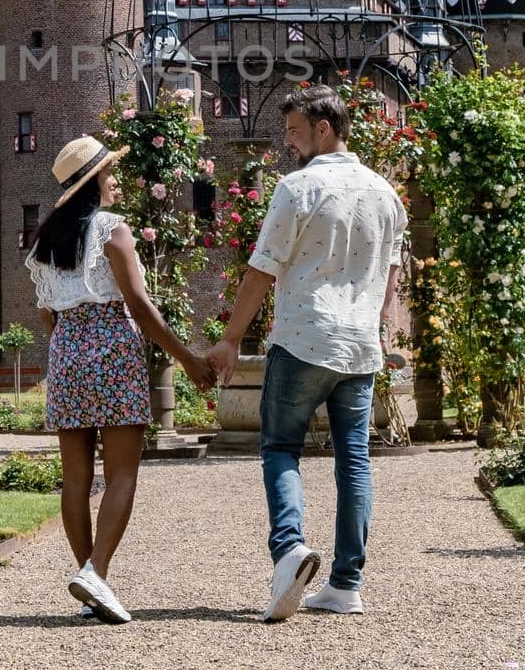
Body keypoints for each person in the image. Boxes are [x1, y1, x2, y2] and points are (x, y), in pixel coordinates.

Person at [207, 86, 407, 622]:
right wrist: (377, 329)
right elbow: (390, 279)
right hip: (360, 345)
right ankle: (346, 583)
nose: (288, 140)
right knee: (354, 459)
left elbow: (262, 268)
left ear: (324, 128)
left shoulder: (297, 188)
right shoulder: (386, 194)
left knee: (280, 447)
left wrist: (230, 338)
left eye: (295, 129)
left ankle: (289, 550)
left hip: (303, 338)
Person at [27, 134, 216, 624]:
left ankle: (91, 582)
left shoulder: (47, 240)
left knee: (75, 479)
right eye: (108, 173)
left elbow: (48, 316)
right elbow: (139, 306)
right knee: (123, 474)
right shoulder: (114, 230)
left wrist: (73, 344)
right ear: (93, 183)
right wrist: (190, 359)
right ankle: (97, 573)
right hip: (113, 349)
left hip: (66, 351)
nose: (115, 180)